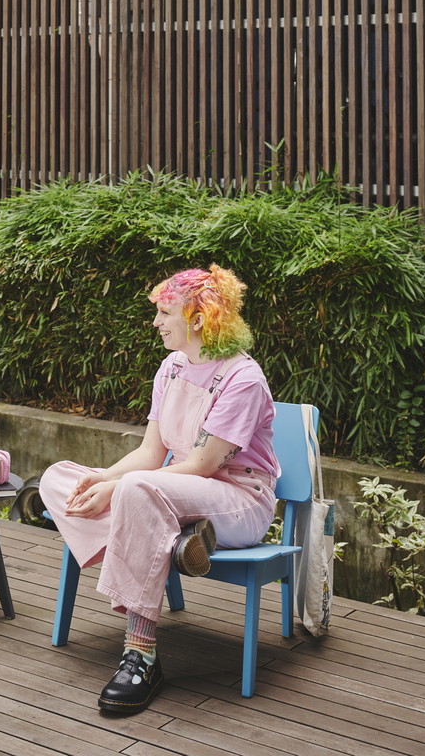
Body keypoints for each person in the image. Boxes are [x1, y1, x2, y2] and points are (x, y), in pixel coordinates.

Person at [38, 264, 278, 716]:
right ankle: (174, 544)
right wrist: (106, 478)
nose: (156, 321)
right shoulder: (170, 368)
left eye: (165, 311)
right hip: (174, 493)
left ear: (200, 318)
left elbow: (203, 464)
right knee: (58, 476)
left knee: (135, 490)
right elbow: (151, 453)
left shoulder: (242, 378)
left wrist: (121, 487)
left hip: (238, 500)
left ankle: (141, 654)